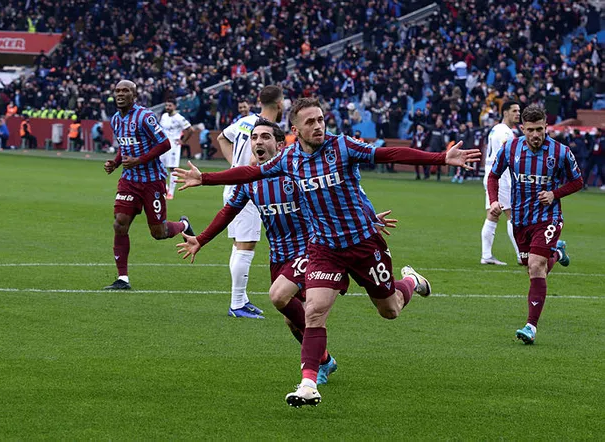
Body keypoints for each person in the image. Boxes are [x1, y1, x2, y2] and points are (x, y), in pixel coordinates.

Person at [174, 97, 481, 406]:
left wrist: (441, 158)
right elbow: (247, 176)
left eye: (320, 119)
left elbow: (388, 154)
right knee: (313, 311)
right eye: (310, 122)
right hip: (324, 249)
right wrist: (205, 180)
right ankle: (308, 383)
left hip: (362, 244)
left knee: (390, 310)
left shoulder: (342, 147)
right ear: (296, 130)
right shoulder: (288, 160)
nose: (318, 126)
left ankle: (411, 281)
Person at [177, 119, 399, 384]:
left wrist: (368, 217)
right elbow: (228, 211)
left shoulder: (295, 172)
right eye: (254, 137)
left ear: (280, 144)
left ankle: (311, 372)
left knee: (280, 296)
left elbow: (341, 194)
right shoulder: (250, 181)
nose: (258, 142)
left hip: (312, 250)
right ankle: (324, 360)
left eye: (265, 137)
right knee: (292, 321)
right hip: (279, 257)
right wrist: (201, 240)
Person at [488, 104, 583, 345]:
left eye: (539, 129)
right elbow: (493, 176)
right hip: (520, 219)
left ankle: (530, 326)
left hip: (548, 217)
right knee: (531, 268)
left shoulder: (561, 152)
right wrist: (494, 201)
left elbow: (577, 181)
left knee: (536, 265)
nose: (535, 135)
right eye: (530, 130)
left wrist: (554, 194)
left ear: (546, 127)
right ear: (522, 129)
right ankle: (557, 252)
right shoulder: (510, 148)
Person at [102, 80, 195, 290]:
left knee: (158, 232)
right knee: (119, 223)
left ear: (134, 96)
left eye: (125, 91)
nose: (120, 94)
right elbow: (124, 146)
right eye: (117, 91)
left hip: (152, 181)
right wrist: (115, 163)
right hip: (129, 180)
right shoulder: (115, 119)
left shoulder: (145, 117)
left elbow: (165, 143)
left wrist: (139, 160)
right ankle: (122, 279)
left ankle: (183, 225)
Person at [215, 85, 285, 319]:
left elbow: (222, 137)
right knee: (246, 246)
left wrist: (235, 167)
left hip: (232, 185)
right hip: (248, 189)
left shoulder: (245, 121)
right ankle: (236, 304)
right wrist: (246, 169)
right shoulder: (268, 130)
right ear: (279, 104)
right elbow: (257, 161)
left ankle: (241, 299)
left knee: (238, 245)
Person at [480, 100, 522, 266]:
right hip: (501, 177)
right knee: (512, 215)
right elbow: (509, 152)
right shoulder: (505, 132)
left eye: (518, 111)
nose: (518, 114)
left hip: (491, 174)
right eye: (514, 111)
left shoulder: (495, 129)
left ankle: (486, 255)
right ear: (505, 112)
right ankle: (521, 255)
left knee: (493, 214)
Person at [159, 98, 193, 199]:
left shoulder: (179, 118)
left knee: (172, 168)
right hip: (163, 144)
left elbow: (190, 130)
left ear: (174, 106)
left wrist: (183, 141)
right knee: (159, 166)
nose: (167, 107)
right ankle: (165, 188)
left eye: (170, 106)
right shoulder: (164, 116)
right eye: (166, 105)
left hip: (173, 145)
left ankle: (171, 193)